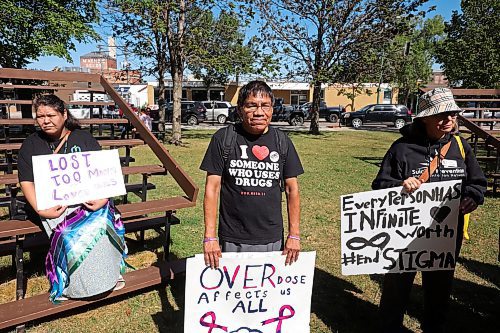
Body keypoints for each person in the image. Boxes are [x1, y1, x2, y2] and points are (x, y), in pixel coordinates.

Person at [372, 88, 487, 333]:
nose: (449, 120)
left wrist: (472, 197)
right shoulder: (401, 148)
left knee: (439, 288)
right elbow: (380, 186)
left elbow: (477, 182)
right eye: (441, 115)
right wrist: (400, 186)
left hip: (445, 235)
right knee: (397, 286)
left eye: (453, 115)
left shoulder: (460, 146)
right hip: (404, 235)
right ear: (424, 118)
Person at [17, 94, 127, 303]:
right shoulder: (31, 145)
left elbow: (103, 173)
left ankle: (108, 275)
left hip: (91, 200)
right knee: (67, 230)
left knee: (101, 222)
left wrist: (103, 199)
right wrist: (41, 209)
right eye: (40, 116)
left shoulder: (83, 138)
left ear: (64, 114)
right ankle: (73, 285)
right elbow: (26, 181)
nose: (45, 120)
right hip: (53, 205)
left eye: (51, 115)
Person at [200, 81, 304, 268]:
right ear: (240, 109)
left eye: (265, 105)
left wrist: (294, 235)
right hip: (233, 237)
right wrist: (209, 237)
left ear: (272, 109)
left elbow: (292, 189)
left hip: (271, 237)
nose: (259, 112)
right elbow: (212, 189)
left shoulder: (282, 141)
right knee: (232, 293)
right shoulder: (223, 138)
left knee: (268, 293)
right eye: (251, 105)